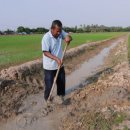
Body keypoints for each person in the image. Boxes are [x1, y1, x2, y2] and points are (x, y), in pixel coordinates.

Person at [41, 20, 72, 104]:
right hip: (49, 66)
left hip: (59, 64)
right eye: (57, 31)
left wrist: (68, 38)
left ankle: (61, 96)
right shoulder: (46, 38)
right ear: (52, 29)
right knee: (49, 85)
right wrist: (56, 59)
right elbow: (45, 52)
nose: (59, 33)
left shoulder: (60, 32)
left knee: (61, 82)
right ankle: (47, 100)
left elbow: (68, 36)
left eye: (60, 31)